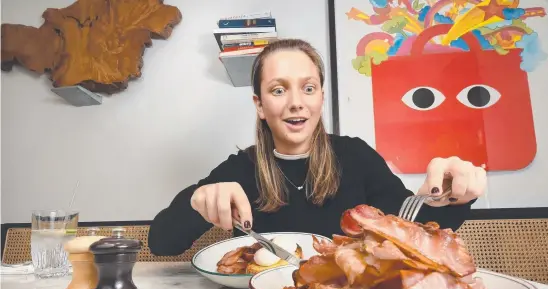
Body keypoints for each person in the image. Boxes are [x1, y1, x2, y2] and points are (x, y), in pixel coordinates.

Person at [148, 39, 486, 256]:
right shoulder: (240, 169)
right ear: (260, 105)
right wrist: (197, 200)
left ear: (321, 99)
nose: (296, 103)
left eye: (308, 88)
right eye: (278, 91)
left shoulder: (356, 156)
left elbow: (411, 231)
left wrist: (450, 194)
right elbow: (162, 242)